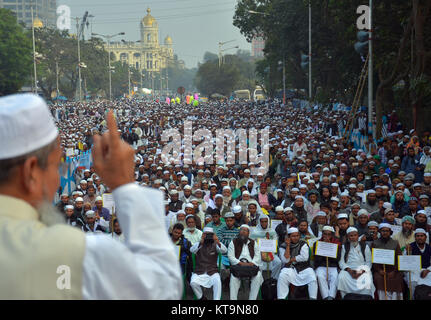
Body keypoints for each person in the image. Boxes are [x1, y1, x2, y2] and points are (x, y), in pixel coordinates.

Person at [0, 95, 181, 299]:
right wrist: (125, 186)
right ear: (31, 171)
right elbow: (162, 285)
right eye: (56, 166)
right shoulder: (74, 251)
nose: (58, 178)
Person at [277, 227, 318, 300]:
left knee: (312, 276)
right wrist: (288, 246)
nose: (296, 238)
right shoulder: (283, 246)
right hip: (290, 268)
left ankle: (313, 297)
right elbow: (285, 260)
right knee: (282, 275)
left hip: (303, 267)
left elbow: (304, 257)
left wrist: (292, 259)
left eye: (297, 236)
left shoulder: (303, 244)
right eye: (293, 236)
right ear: (288, 237)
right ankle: (281, 297)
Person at [190, 227, 227, 300]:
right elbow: (192, 250)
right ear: (203, 235)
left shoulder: (215, 244)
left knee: (218, 282)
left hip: (212, 271)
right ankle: (202, 298)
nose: (208, 236)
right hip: (199, 271)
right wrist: (201, 242)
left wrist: (217, 241)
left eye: (210, 235)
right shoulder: (199, 244)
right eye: (206, 234)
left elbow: (224, 250)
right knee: (193, 283)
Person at [228, 225, 264, 300]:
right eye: (242, 230)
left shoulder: (253, 243)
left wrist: (252, 263)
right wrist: (240, 263)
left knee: (257, 276)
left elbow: (258, 256)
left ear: (248, 233)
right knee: (233, 277)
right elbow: (230, 257)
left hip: (251, 267)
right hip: (238, 266)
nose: (243, 232)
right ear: (239, 232)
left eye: (245, 230)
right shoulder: (233, 242)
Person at [338, 227, 375, 298]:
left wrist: (361, 271)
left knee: (367, 279)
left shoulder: (365, 246)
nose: (353, 237)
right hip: (348, 269)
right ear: (348, 237)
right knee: (341, 277)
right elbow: (341, 262)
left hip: (362, 269)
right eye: (351, 236)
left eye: (355, 235)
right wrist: (349, 270)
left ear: (358, 236)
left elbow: (368, 262)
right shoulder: (344, 247)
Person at [372, 223, 404, 300]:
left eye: (387, 231)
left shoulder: (395, 243)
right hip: (380, 270)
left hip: (394, 270)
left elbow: (399, 259)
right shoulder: (375, 243)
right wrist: (379, 270)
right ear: (380, 232)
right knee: (379, 279)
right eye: (383, 231)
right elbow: (373, 260)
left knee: (397, 279)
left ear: (390, 232)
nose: (385, 233)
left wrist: (394, 271)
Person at [250, 215, 282, 280]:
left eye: (265, 221)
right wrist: (261, 252)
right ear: (259, 222)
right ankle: (260, 282)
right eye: (262, 222)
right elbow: (252, 243)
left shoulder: (272, 231)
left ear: (268, 222)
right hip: (258, 253)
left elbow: (275, 243)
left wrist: (268, 239)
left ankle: (273, 279)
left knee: (278, 262)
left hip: (270, 252)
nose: (264, 223)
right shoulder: (255, 232)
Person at [313, 226, 341, 300]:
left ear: (332, 235)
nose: (327, 236)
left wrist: (329, 249)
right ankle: (325, 296)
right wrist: (323, 248)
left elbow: (337, 259)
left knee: (335, 276)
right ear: (322, 234)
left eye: (329, 234)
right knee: (320, 276)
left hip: (332, 266)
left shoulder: (336, 243)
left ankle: (331, 296)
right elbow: (316, 259)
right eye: (325, 234)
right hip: (321, 266)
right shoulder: (317, 243)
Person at [404, 229, 431, 297]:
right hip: (413, 271)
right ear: (415, 237)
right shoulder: (409, 247)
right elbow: (404, 263)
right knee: (413, 283)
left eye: (422, 236)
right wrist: (408, 253)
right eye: (417, 236)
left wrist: (427, 270)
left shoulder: (429, 247)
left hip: (427, 271)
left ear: (425, 237)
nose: (420, 237)